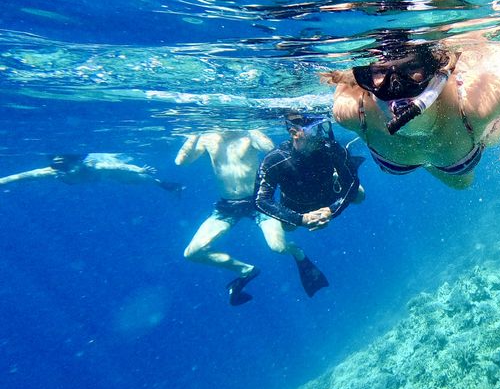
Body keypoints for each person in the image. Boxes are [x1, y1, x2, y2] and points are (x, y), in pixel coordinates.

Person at [320, 29, 500, 189]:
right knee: (461, 183)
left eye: (412, 67)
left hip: (477, 134)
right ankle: (426, 161)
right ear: (365, 79)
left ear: (436, 72)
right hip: (450, 154)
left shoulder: (472, 107)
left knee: (466, 179)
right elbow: (339, 82)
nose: (395, 85)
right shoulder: (353, 113)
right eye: (379, 72)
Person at [255, 111, 365, 298]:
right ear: (294, 132)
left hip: (328, 196)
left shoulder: (330, 148)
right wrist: (301, 219)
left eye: (322, 126)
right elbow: (260, 200)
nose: (320, 133)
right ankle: (297, 251)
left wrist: (332, 211)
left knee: (360, 195)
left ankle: (336, 177)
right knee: (288, 228)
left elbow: (353, 183)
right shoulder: (275, 159)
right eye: (314, 129)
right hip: (295, 205)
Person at [174, 129, 288, 306]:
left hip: (258, 202)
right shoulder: (206, 138)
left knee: (278, 247)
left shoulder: (248, 134)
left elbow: (274, 152)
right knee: (192, 253)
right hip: (227, 206)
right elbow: (180, 162)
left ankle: (298, 254)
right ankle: (246, 270)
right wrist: (194, 134)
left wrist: (252, 130)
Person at [0, 153, 184, 193]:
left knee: (138, 179)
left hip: (107, 167)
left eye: (63, 165)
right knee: (131, 179)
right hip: (102, 173)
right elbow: (24, 176)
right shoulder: (54, 172)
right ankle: (166, 185)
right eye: (57, 166)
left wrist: (140, 169)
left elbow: (119, 167)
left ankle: (165, 185)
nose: (60, 168)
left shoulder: (96, 166)